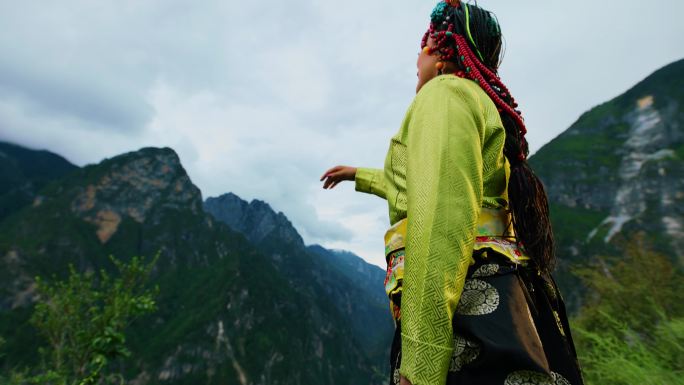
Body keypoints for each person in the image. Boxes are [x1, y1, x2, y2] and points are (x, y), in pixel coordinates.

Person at [320, 1, 584, 384]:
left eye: (422, 44)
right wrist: (358, 175)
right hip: (509, 308)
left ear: (440, 48)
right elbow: (420, 187)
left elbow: (440, 222)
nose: (416, 58)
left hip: (469, 311)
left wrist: (422, 365)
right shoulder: (478, 104)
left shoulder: (445, 93)